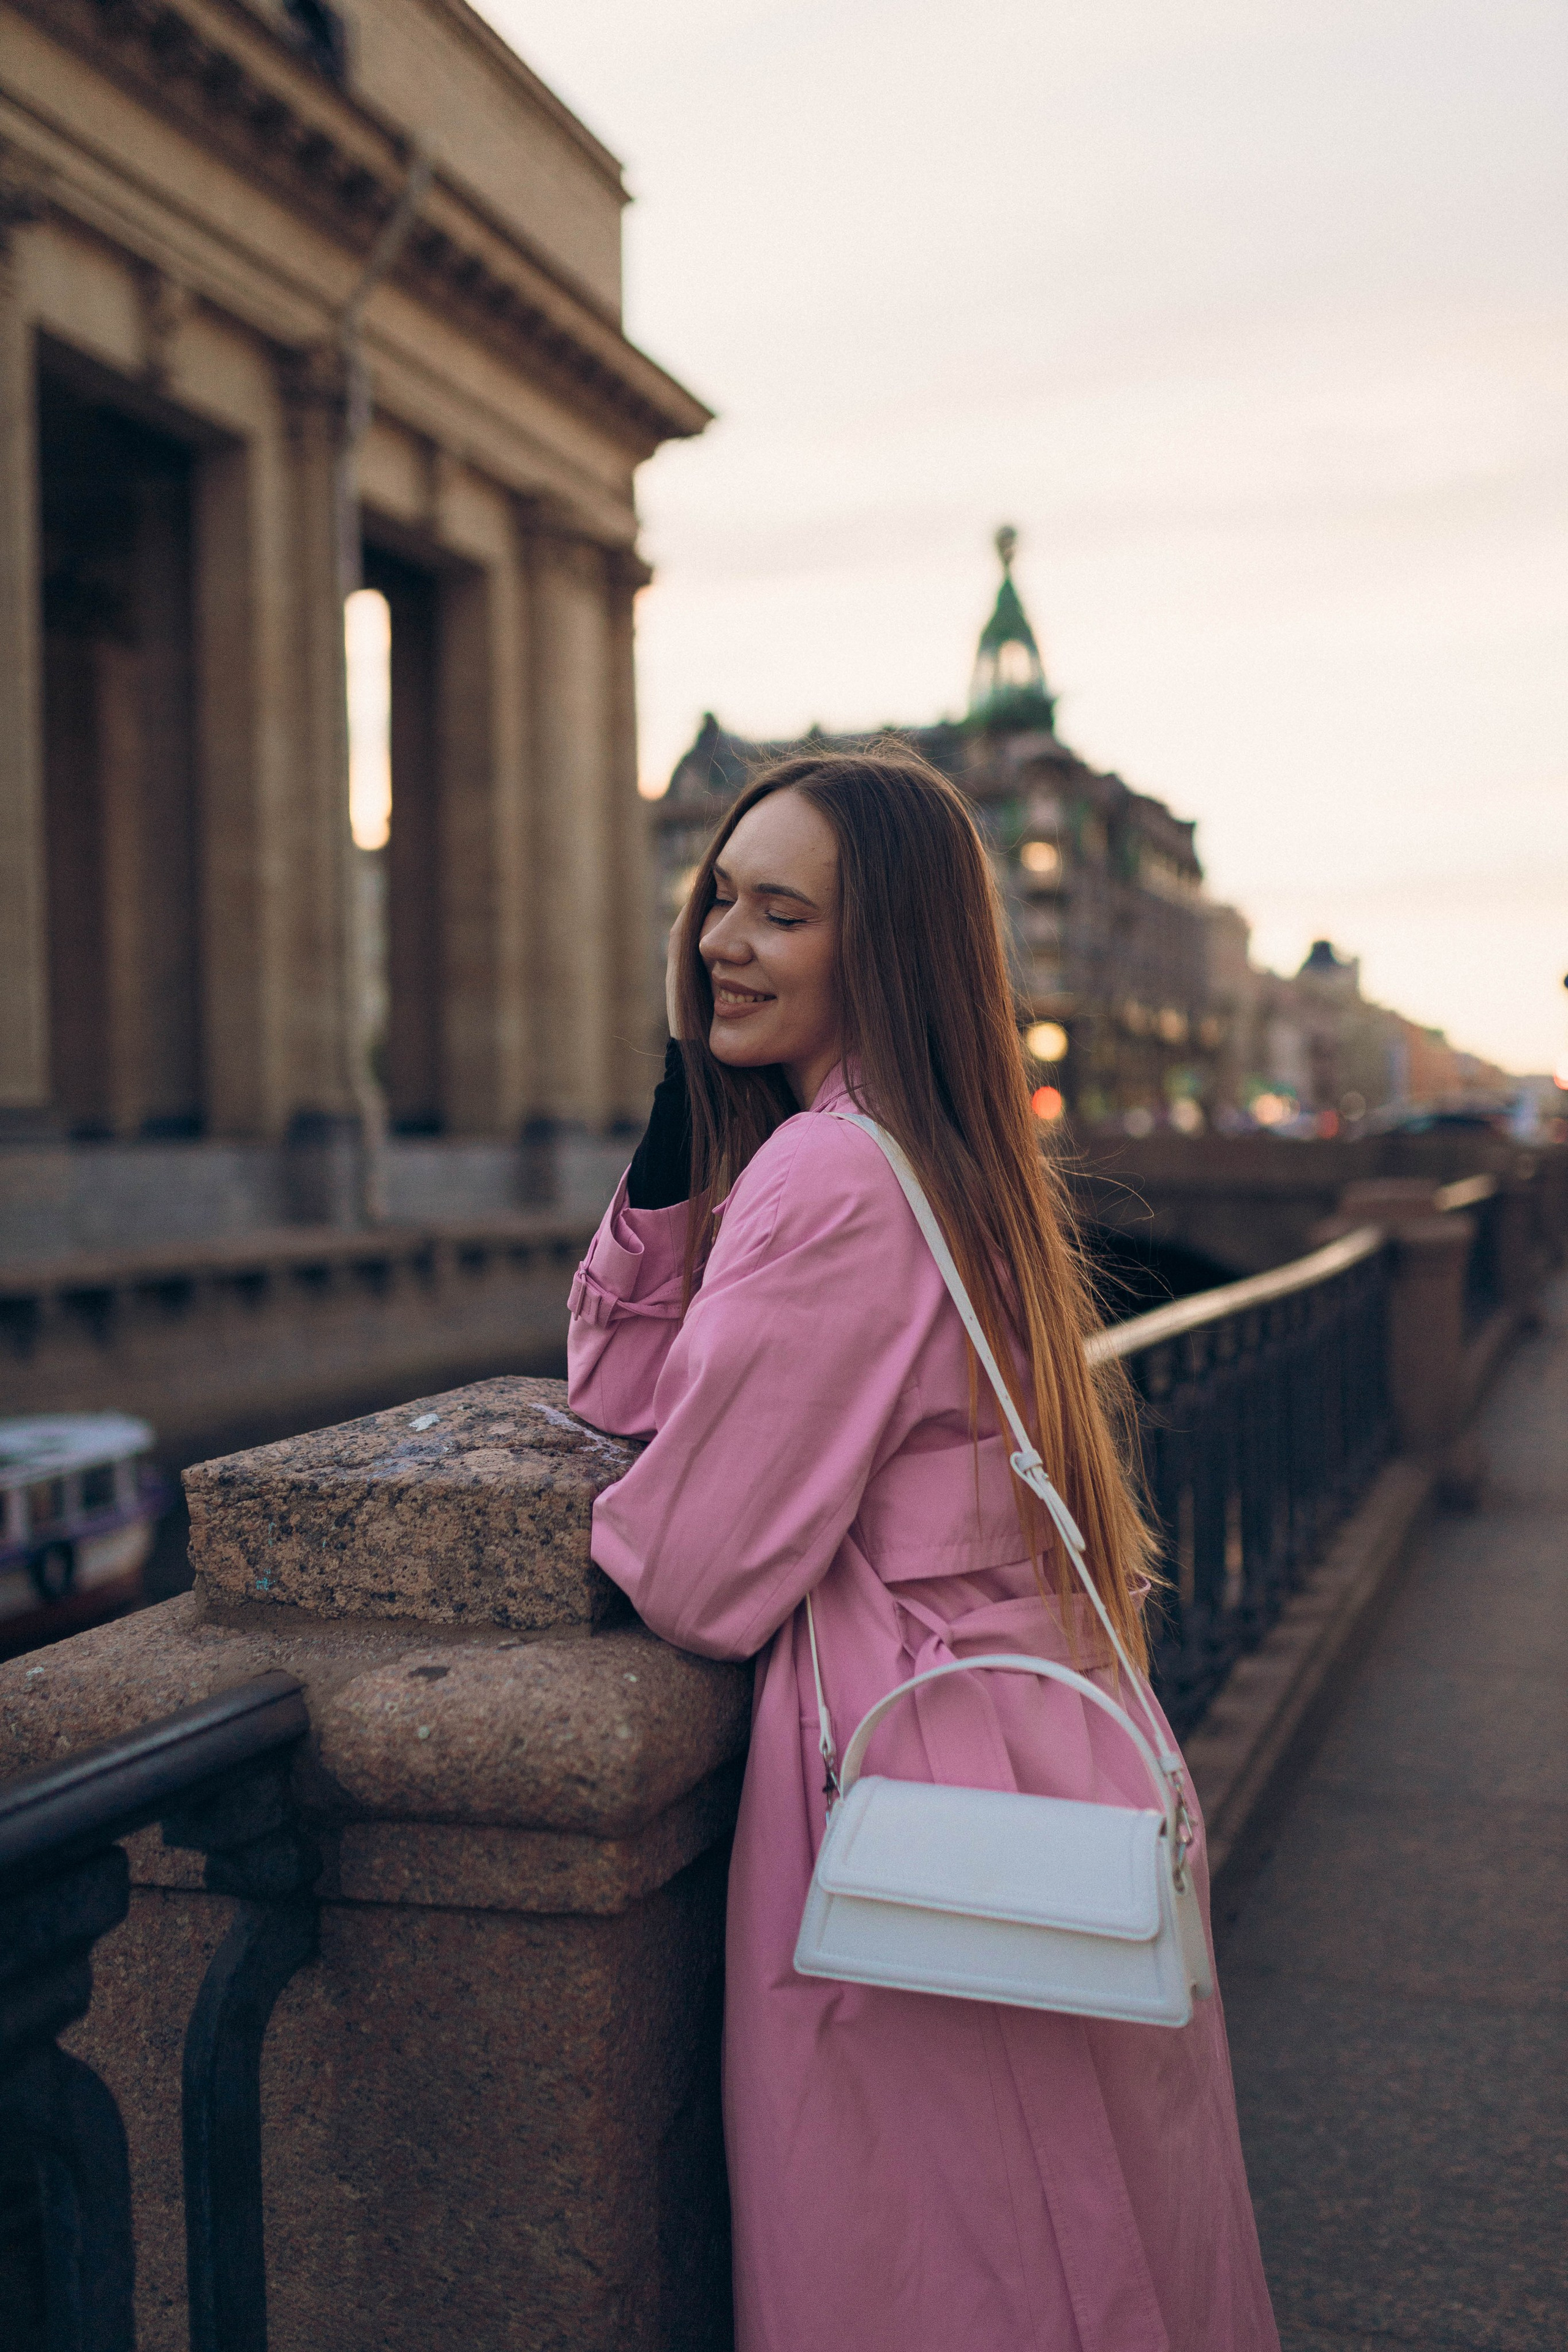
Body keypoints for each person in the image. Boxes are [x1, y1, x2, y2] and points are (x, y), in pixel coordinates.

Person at [568, 748, 1279, 2352]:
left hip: (912, 1794)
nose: (721, 947)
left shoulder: (826, 1171)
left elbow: (686, 1559)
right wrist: (678, 1151)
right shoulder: (937, 1148)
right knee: (1079, 2244)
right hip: (1038, 1766)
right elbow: (650, 1393)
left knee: (940, 2264)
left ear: (875, 947)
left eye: (781, 914)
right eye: (720, 903)